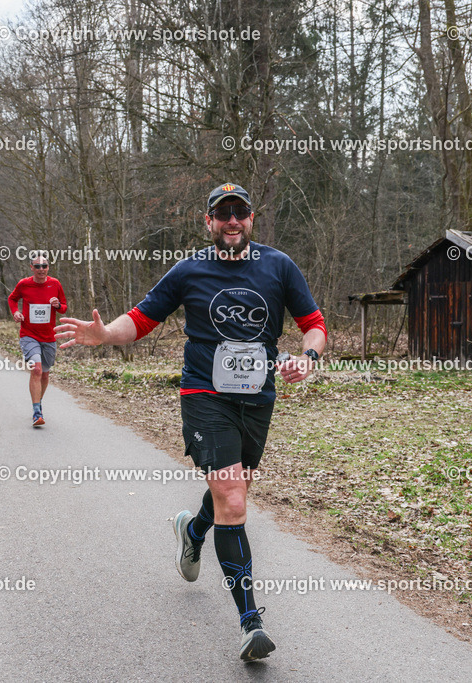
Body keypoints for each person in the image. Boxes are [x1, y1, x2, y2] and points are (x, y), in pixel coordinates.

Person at [55, 183, 327, 662]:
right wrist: (104, 335)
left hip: (257, 398)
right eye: (222, 214)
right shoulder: (189, 270)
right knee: (232, 492)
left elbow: (315, 324)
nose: (231, 221)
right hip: (204, 394)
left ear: (251, 218)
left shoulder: (279, 266)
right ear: (208, 223)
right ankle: (251, 622)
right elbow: (138, 320)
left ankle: (193, 531)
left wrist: (308, 358)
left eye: (239, 212)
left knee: (232, 487)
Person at [8, 256, 67, 427]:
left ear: (48, 267)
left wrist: (57, 306)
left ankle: (38, 401)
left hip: (49, 337)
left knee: (45, 374)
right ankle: (36, 412)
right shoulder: (24, 284)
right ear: (31, 267)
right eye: (38, 266)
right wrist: (15, 313)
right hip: (28, 334)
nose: (41, 269)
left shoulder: (55, 284)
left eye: (45, 266)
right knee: (37, 369)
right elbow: (12, 299)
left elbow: (64, 307)